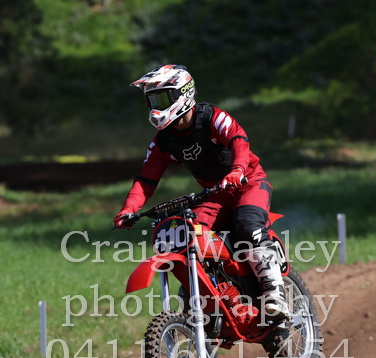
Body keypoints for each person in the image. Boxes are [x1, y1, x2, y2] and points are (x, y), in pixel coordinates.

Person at [114, 64, 289, 320]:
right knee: (189, 235)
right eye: (152, 100)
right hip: (215, 194)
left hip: (248, 181)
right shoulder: (163, 141)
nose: (156, 107)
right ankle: (205, 293)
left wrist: (237, 170)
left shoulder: (212, 117)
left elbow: (239, 141)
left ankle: (275, 292)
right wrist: (129, 209)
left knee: (248, 225)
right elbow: (145, 180)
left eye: (162, 99)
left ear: (183, 93)